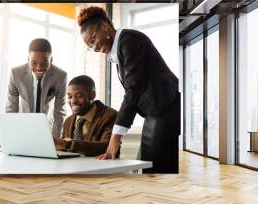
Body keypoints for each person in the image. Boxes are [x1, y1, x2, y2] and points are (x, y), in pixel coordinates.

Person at [77, 6, 180, 173]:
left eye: (93, 39)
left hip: (167, 106)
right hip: (155, 111)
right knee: (149, 165)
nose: (94, 47)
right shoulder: (119, 50)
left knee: (156, 168)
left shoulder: (130, 40)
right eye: (90, 46)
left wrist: (115, 139)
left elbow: (133, 89)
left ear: (104, 27)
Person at [5, 38, 67, 138]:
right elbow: (11, 109)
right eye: (34, 62)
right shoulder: (15, 74)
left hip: (47, 129)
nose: (39, 67)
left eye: (44, 63)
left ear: (51, 60)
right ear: (28, 59)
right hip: (22, 127)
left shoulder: (60, 76)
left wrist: (55, 140)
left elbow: (59, 113)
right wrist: (10, 137)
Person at [54, 75, 119, 157]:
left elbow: (107, 147)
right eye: (70, 96)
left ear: (92, 95)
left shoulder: (110, 116)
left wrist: (68, 144)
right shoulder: (68, 121)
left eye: (79, 96)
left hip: (100, 167)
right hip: (72, 167)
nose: (73, 101)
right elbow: (64, 149)